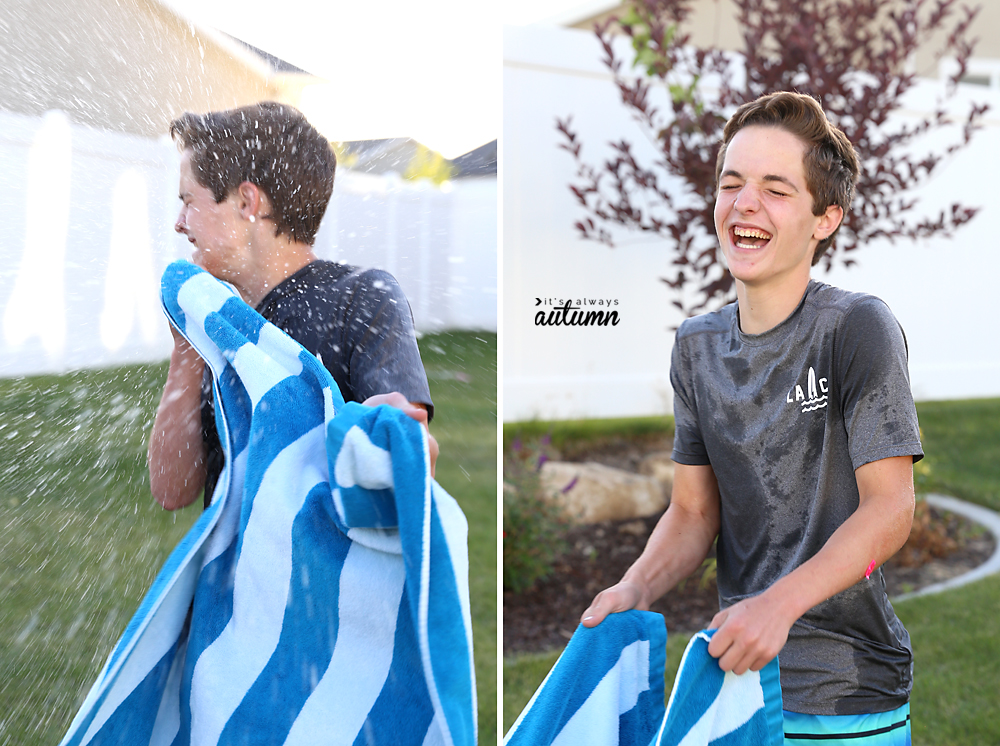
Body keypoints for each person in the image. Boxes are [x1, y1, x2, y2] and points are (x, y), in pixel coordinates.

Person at [581, 92, 922, 743]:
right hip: (735, 687)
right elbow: (693, 512)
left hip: (844, 694)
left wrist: (778, 605)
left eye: (776, 189)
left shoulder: (855, 328)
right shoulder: (697, 346)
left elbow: (890, 507)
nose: (743, 203)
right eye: (731, 184)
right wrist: (635, 588)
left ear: (826, 219)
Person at [148, 101, 437, 511]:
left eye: (189, 201)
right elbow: (171, 492)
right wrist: (185, 351)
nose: (180, 222)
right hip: (243, 576)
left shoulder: (361, 298)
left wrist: (401, 439)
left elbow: (411, 460)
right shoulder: (223, 321)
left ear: (247, 202)